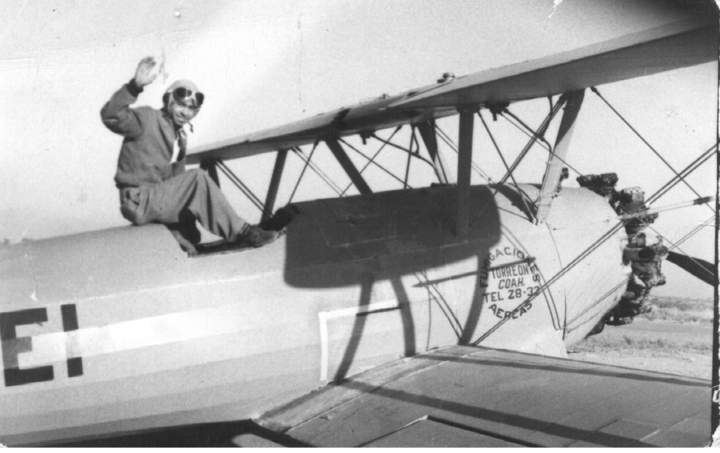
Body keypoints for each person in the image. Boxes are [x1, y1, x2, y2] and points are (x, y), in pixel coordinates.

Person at [101, 56, 278, 253]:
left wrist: (177, 234)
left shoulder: (179, 139)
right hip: (138, 199)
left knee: (192, 233)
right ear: (168, 101)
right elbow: (111, 115)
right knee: (197, 178)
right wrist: (134, 86)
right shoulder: (148, 119)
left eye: (191, 109)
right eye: (181, 105)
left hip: (154, 200)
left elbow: (176, 188)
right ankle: (243, 232)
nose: (185, 112)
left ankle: (187, 240)